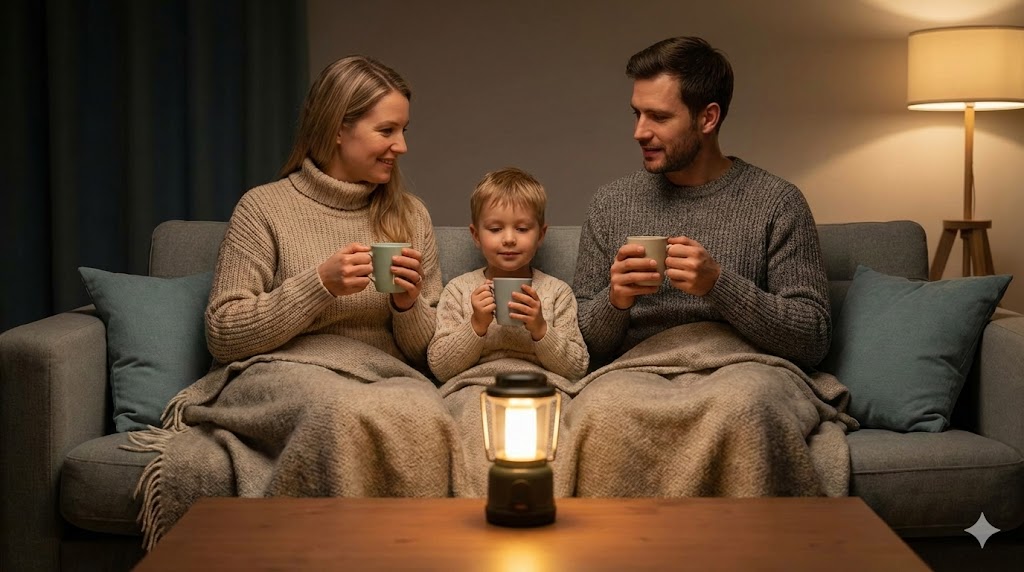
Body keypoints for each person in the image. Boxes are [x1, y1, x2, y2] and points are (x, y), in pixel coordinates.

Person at [128, 56, 458, 549]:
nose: (402, 146)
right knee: (340, 411)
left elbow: (427, 355)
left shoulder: (410, 216)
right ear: (338, 129)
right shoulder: (264, 208)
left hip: (384, 375)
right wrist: (317, 284)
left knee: (427, 414)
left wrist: (409, 306)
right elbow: (224, 331)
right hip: (280, 369)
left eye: (404, 129)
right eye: (387, 130)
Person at [565, 37, 855, 498]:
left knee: (744, 403)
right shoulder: (611, 204)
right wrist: (615, 300)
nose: (639, 131)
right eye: (636, 114)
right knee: (601, 408)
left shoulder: (777, 202)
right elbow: (581, 343)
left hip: (746, 365)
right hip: (640, 369)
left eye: (658, 117)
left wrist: (719, 284)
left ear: (707, 117)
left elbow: (812, 336)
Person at [428, 167, 588, 496]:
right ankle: (478, 513)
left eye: (522, 228)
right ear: (475, 235)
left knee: (558, 435)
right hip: (475, 389)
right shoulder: (459, 291)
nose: (510, 238)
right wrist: (476, 325)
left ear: (541, 234)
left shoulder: (556, 292)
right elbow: (440, 366)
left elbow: (577, 367)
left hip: (544, 390)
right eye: (496, 228)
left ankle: (548, 511)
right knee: (474, 432)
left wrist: (542, 329)